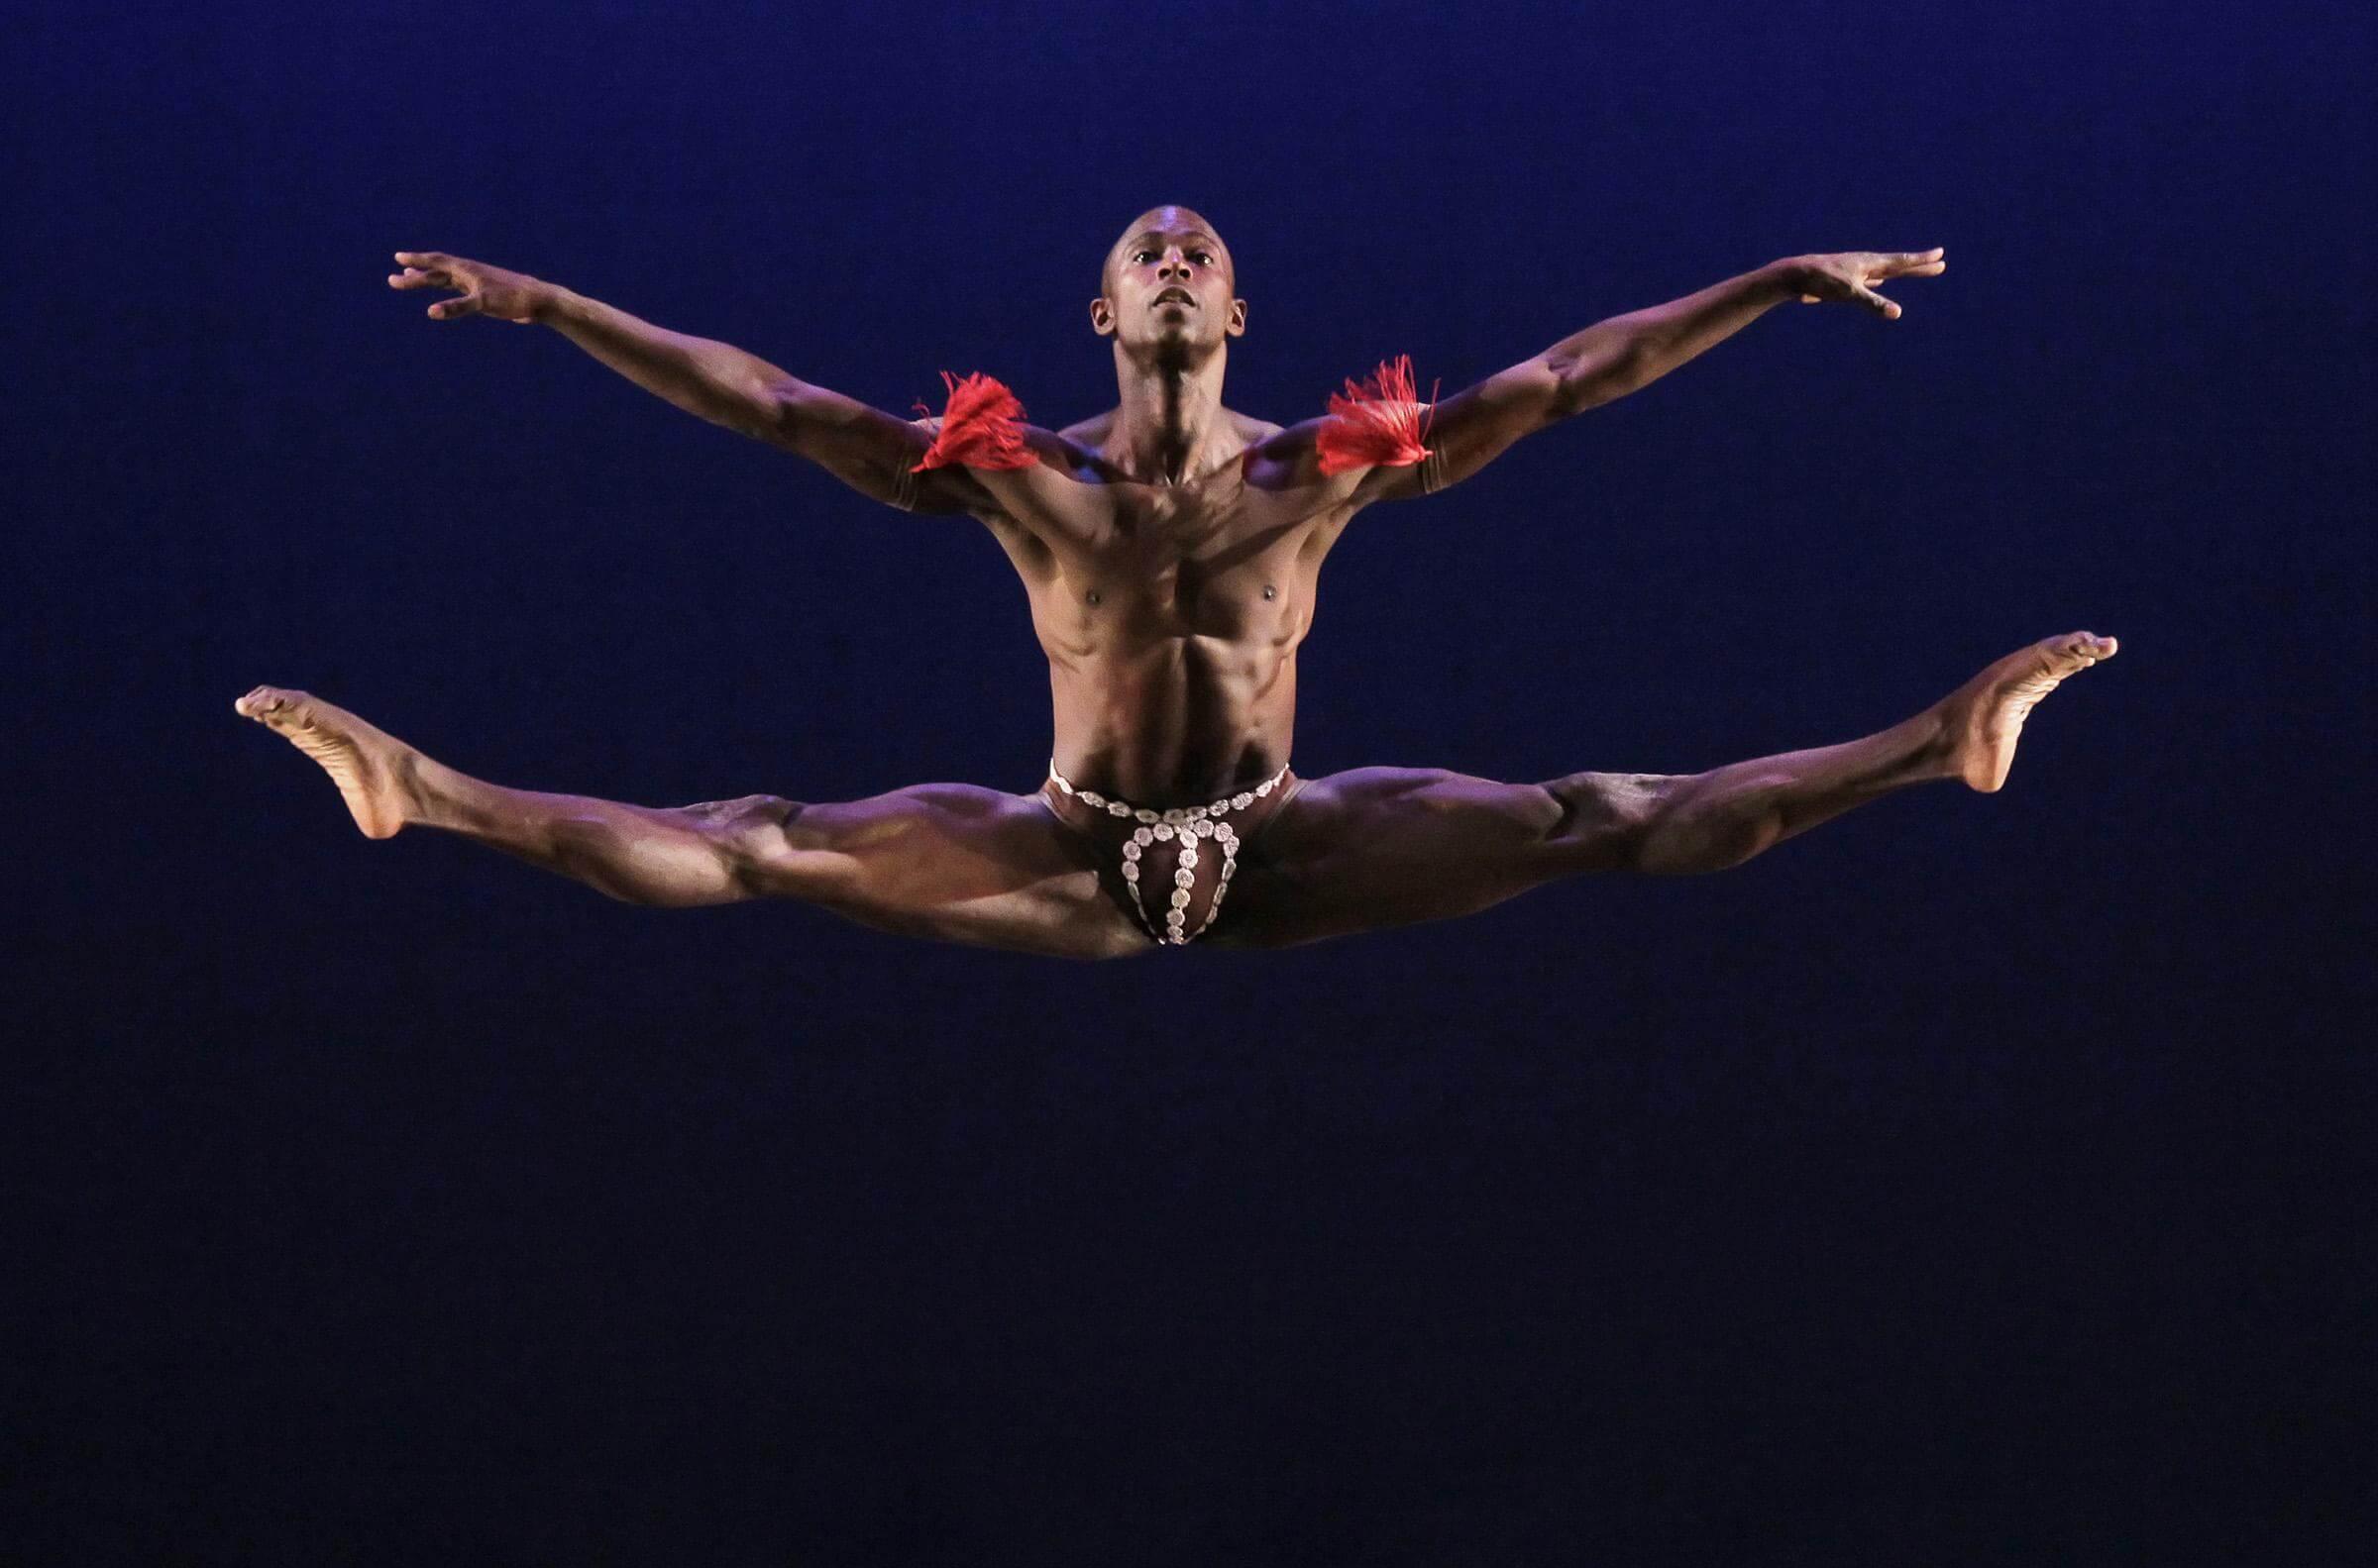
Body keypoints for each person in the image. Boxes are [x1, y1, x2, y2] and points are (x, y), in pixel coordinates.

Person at [239, 207, 2113, 958]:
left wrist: (1773, 283)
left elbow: (1572, 378)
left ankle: (1937, 743)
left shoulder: (1324, 473)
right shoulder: (1020, 483)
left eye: (1197, 250)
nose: (1170, 257)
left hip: (1287, 832)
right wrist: (556, 306)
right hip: (1060, 844)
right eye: (1143, 249)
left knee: (1597, 816)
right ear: (1103, 308)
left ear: (1232, 311)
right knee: (747, 842)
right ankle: (426, 791)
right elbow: (770, 403)